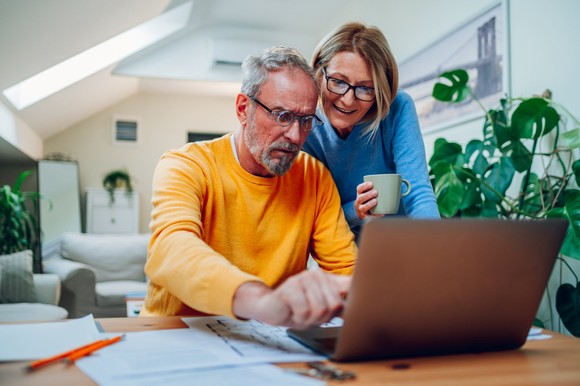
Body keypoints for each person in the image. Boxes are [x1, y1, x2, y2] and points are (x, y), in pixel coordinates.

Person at [140, 46, 357, 329]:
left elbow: (347, 271)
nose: (295, 135)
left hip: (268, 341)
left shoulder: (314, 177)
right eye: (282, 116)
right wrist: (262, 302)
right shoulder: (187, 165)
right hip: (176, 334)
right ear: (244, 108)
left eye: (305, 121)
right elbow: (171, 248)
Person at [302, 22, 440, 242]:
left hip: (407, 245)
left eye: (365, 88)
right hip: (347, 254)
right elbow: (315, 219)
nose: (348, 100)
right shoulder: (306, 129)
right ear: (319, 73)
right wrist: (355, 210)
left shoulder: (397, 108)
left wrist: (438, 245)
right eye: (338, 81)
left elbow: (418, 193)